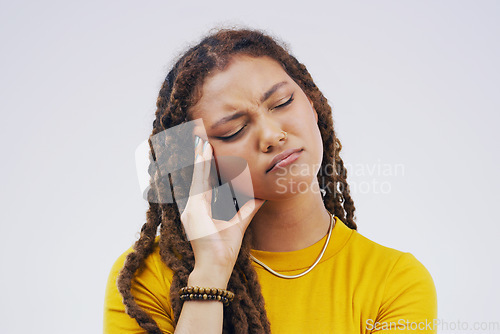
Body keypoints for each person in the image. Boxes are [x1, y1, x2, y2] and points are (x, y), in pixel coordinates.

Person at [103, 28, 437, 334]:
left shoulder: (395, 280)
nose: (272, 136)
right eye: (234, 130)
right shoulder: (145, 280)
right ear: (194, 160)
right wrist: (210, 272)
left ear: (312, 102)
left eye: (282, 102)